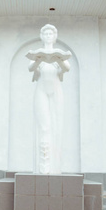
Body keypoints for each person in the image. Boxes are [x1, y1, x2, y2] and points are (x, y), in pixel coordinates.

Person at [26, 24, 71, 174]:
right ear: (41, 36)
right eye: (45, 34)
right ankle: (43, 163)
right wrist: (39, 59)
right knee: (43, 126)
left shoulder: (59, 54)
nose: (48, 36)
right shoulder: (37, 54)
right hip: (41, 90)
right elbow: (31, 68)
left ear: (55, 36)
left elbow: (66, 68)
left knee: (57, 125)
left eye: (51, 34)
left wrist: (57, 59)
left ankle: (56, 165)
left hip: (56, 90)